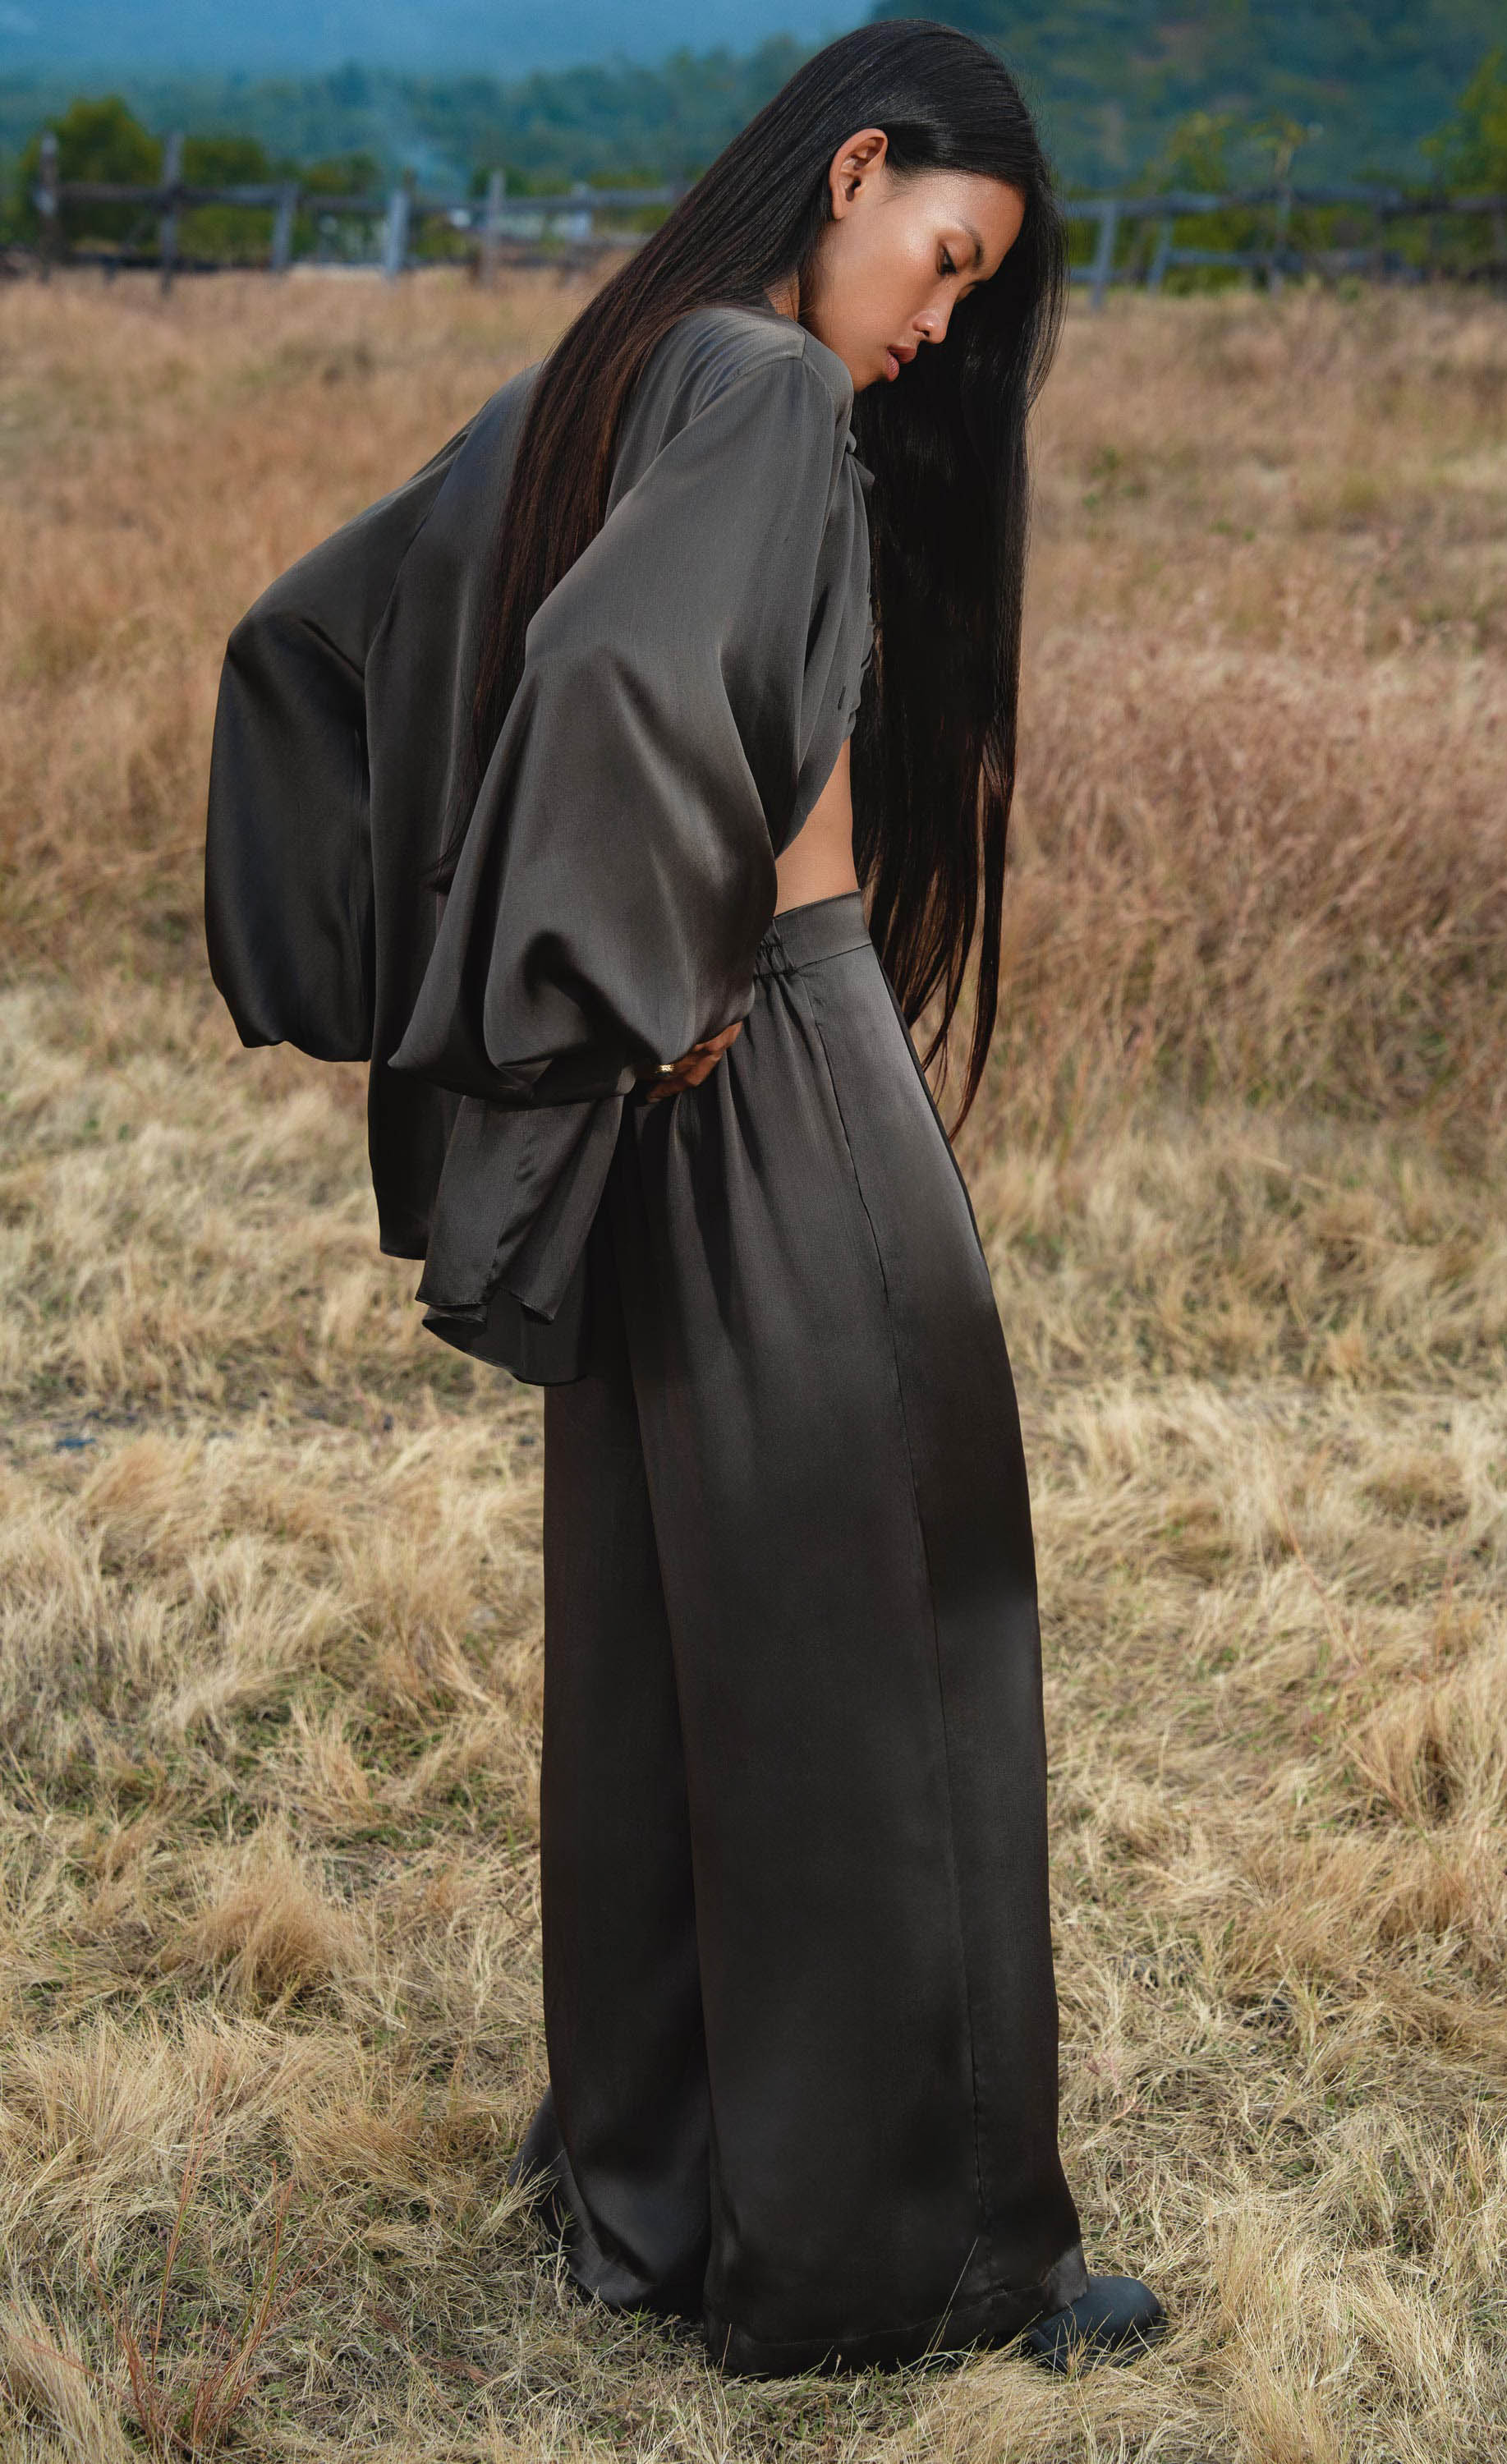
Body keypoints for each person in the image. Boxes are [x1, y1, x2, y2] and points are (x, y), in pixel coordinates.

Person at [204, 16, 1165, 2381]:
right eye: (942, 259)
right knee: (898, 1655)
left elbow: (335, 628)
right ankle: (911, 2264)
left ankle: (654, 2201)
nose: (940, 322)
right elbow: (623, 683)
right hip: (776, 1054)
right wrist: (643, 973)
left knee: (673, 1660)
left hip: (670, 1109)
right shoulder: (756, 389)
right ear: (855, 168)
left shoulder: (622, 363)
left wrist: (568, 1015)